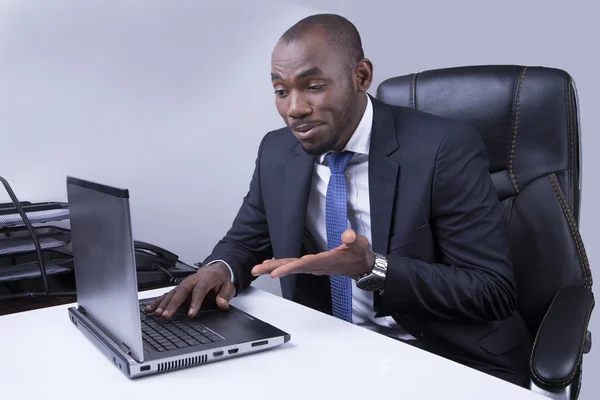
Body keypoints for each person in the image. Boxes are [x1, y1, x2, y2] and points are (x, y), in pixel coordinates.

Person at [146, 13, 532, 388]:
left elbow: (491, 291)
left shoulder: (444, 148)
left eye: (313, 86)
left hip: (441, 357)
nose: (294, 108)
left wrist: (373, 267)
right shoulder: (277, 151)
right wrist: (219, 270)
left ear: (361, 76)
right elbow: (247, 239)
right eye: (281, 90)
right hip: (330, 354)